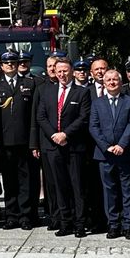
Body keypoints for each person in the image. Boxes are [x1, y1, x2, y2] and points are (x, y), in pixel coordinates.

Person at [33, 55, 91, 237]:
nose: (62, 74)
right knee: (59, 187)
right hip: (53, 147)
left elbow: (83, 117)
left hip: (74, 146)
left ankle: (79, 223)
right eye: (59, 71)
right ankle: (65, 222)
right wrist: (54, 135)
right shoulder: (46, 91)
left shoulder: (82, 92)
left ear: (72, 71)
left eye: (65, 71)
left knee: (77, 187)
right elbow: (40, 116)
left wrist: (65, 134)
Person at [89, 69, 130, 240]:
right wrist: (106, 146)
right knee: (109, 191)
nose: (111, 82)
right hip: (105, 155)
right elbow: (93, 127)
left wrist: (121, 145)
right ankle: (113, 224)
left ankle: (129, 225)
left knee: (128, 190)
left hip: (126, 153)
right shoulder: (97, 103)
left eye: (115, 80)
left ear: (120, 82)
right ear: (103, 83)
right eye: (108, 80)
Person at [0, 49, 35, 230]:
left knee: (25, 180)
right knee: (8, 180)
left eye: (13, 62)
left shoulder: (29, 84)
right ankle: (11, 215)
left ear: (18, 64)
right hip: (4, 141)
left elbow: (33, 116)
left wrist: (33, 141)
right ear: (1, 66)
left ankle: (25, 215)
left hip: (24, 140)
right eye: (7, 63)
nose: (10, 65)